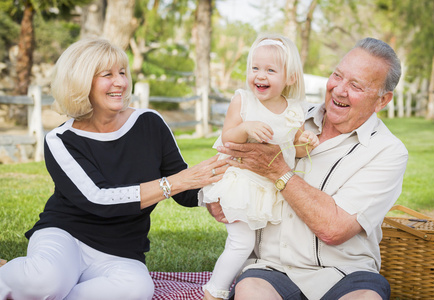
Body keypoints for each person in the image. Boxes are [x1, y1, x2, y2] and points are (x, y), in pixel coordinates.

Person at [0, 38, 228, 300]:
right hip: (66, 236)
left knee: (137, 290)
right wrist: (175, 183)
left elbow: (184, 189)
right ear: (81, 81)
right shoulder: (61, 139)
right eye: (107, 75)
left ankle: (39, 287)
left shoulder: (150, 123)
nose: (120, 82)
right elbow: (98, 198)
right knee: (44, 281)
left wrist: (208, 197)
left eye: (122, 72)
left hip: (122, 249)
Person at [207, 37, 408, 300]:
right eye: (337, 75)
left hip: (346, 273)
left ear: (382, 101)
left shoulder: (387, 151)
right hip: (272, 268)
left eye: (355, 85)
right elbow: (229, 154)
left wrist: (278, 171)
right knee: (250, 292)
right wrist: (217, 197)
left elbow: (334, 229)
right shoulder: (290, 115)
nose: (339, 90)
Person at [201, 34, 319, 300]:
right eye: (255, 68)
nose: (260, 75)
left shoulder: (294, 110)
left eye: (270, 70)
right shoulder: (243, 101)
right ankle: (214, 291)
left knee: (254, 245)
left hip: (267, 188)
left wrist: (306, 143)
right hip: (241, 183)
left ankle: (244, 285)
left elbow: (293, 149)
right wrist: (246, 127)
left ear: (289, 78)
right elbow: (228, 138)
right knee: (242, 242)